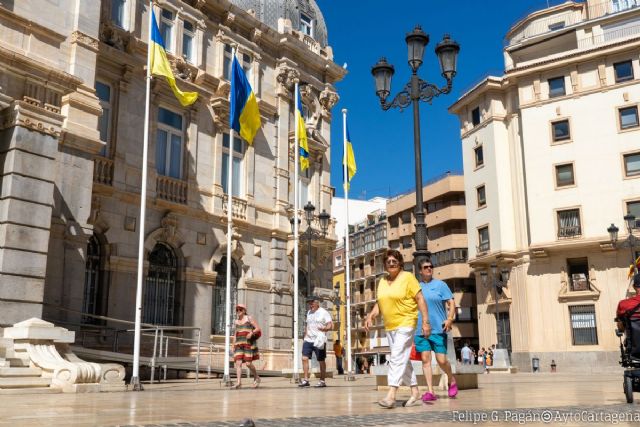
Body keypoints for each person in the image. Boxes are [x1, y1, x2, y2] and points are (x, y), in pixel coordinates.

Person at [364, 249, 431, 409]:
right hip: (390, 326)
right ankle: (415, 391)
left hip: (406, 322)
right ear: (385, 265)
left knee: (396, 357)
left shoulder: (408, 278)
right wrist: (371, 315)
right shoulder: (382, 281)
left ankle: (391, 394)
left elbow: (420, 298)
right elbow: (380, 302)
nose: (392, 263)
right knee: (402, 358)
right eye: (388, 261)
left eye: (395, 261)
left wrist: (426, 322)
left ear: (400, 263)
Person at [414, 259, 459, 401]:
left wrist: (450, 318)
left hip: (438, 328)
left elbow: (451, 302)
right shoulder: (416, 287)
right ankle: (430, 391)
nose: (429, 269)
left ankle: (451, 379)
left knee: (441, 360)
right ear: (420, 271)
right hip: (420, 329)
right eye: (425, 267)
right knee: (425, 359)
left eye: (431, 266)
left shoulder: (441, 285)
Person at [299, 297, 333, 388]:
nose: (310, 305)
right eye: (309, 303)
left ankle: (322, 381)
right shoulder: (309, 312)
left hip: (319, 339)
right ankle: (306, 380)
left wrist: (325, 328)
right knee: (304, 358)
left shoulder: (324, 312)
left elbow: (330, 324)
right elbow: (307, 325)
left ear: (317, 303)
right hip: (308, 339)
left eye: (312, 303)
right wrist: (305, 336)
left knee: (321, 360)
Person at [232, 304, 261, 389]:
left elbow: (257, 328)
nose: (238, 311)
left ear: (244, 310)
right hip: (238, 344)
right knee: (238, 363)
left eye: (240, 309)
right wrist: (233, 344)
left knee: (248, 364)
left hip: (248, 343)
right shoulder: (236, 321)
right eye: (237, 310)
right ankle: (239, 382)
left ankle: (256, 377)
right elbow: (235, 334)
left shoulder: (249, 318)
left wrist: (251, 333)